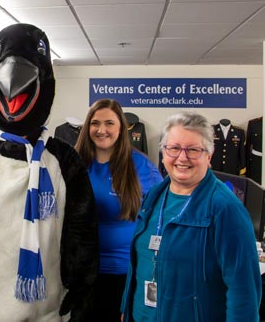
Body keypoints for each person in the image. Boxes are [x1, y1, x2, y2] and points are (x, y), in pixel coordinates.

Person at [121, 112, 262, 322]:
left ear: (209, 155)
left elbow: (244, 291)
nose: (182, 157)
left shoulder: (225, 209)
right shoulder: (153, 197)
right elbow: (140, 262)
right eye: (174, 148)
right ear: (163, 152)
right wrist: (127, 307)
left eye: (193, 150)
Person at [75, 99, 162, 321]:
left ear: (121, 127)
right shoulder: (74, 163)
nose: (101, 130)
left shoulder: (141, 166)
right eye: (95, 123)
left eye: (109, 123)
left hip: (125, 272)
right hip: (81, 271)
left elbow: (160, 219)